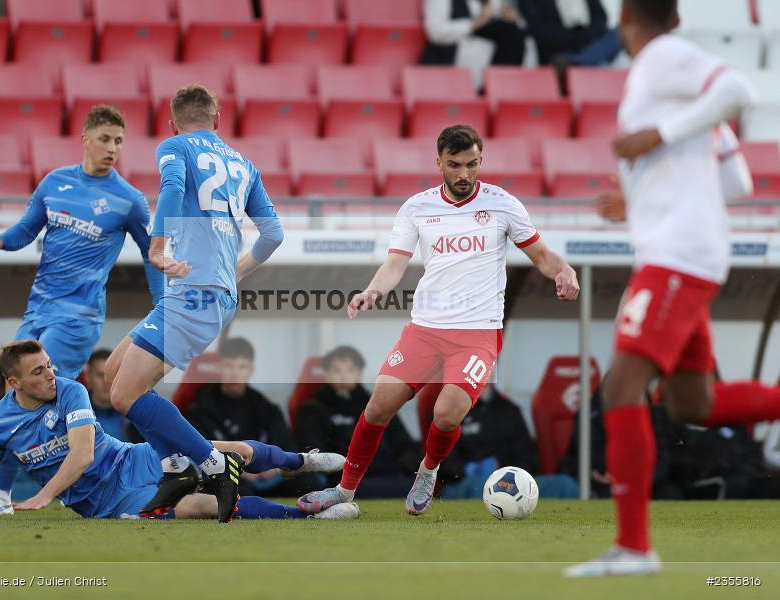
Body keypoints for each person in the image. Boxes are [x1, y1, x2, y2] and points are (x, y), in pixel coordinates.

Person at [564, 0, 780, 578]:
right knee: (691, 405)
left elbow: (739, 89)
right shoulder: (682, 91)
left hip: (676, 257)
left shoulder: (663, 59)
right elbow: (736, 181)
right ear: (677, 17)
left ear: (623, 22)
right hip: (684, 252)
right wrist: (639, 199)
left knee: (621, 387)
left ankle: (634, 549)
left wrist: (656, 136)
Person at [298, 124, 580, 517]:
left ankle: (428, 471)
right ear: (439, 163)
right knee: (378, 407)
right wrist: (372, 291)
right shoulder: (417, 207)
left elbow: (543, 256)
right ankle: (344, 490)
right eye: (455, 165)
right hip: (426, 329)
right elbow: (394, 264)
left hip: (478, 333)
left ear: (480, 160)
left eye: (472, 164)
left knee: (446, 414)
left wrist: (564, 270)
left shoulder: (503, 205)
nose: (464, 173)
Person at [0, 340, 357, 523]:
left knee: (226, 450)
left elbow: (84, 453)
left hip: (129, 459)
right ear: (13, 383)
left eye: (49, 365)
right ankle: (307, 516)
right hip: (106, 501)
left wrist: (45, 494)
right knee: (196, 507)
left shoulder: (70, 390)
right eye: (38, 372)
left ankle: (299, 461)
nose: (50, 375)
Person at [103, 84, 284, 522]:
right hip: (207, 293)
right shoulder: (244, 164)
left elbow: (172, 187)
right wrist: (236, 273)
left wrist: (157, 246)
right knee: (113, 372)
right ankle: (175, 467)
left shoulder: (175, 147)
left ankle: (212, 464)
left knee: (125, 394)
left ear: (173, 123)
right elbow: (274, 234)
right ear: (217, 119)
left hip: (194, 292)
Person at [0, 104, 165, 513]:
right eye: (105, 139)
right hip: (39, 307)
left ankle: (1, 495)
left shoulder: (129, 200)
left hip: (79, 316)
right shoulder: (54, 182)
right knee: (18, 390)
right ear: (85, 139)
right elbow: (27, 229)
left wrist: (162, 301)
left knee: (33, 389)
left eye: (119, 141)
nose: (112, 148)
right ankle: (59, 484)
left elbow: (150, 253)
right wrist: (1, 240)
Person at [187, 338, 334, 497]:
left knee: (311, 482)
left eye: (241, 367)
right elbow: (199, 452)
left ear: (251, 369)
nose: (235, 373)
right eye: (229, 366)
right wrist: (242, 471)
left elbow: (286, 444)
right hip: (231, 474)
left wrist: (274, 467)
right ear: (219, 368)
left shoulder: (267, 408)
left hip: (271, 474)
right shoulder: (199, 410)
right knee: (229, 488)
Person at [295, 346, 422, 498]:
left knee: (412, 488)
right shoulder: (314, 408)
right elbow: (314, 451)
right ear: (326, 374)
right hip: (344, 478)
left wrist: (404, 467)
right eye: (336, 370)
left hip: (390, 474)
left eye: (350, 370)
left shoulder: (378, 405)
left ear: (360, 373)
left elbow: (404, 443)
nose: (343, 376)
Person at [439, 384, 579, 499]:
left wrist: (506, 473)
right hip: (464, 484)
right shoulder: (450, 409)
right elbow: (441, 461)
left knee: (565, 485)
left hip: (509, 483)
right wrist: (470, 469)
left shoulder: (510, 410)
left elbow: (527, 459)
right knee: (483, 486)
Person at [420, 0, 526, 86]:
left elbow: (517, 26)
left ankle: (501, 88)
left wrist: (509, 17)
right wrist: (475, 23)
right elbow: (435, 31)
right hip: (450, 58)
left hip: (482, 60)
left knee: (513, 33)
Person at [519, 0, 618, 66]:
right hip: (558, 46)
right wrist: (572, 37)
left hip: (587, 39)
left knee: (618, 34)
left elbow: (601, 17)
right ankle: (586, 59)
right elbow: (537, 27)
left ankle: (577, 61)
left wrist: (586, 35)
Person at [84, 349, 130, 442]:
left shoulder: (133, 416)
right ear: (88, 377)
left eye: (112, 376)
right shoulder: (73, 413)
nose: (106, 382)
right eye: (100, 375)